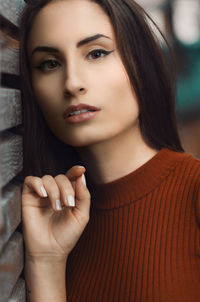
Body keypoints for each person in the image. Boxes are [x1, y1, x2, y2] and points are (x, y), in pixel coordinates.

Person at [19, 0, 200, 301]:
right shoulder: (50, 218)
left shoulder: (193, 193)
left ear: (139, 63)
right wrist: (46, 261)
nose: (72, 83)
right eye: (50, 63)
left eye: (96, 53)